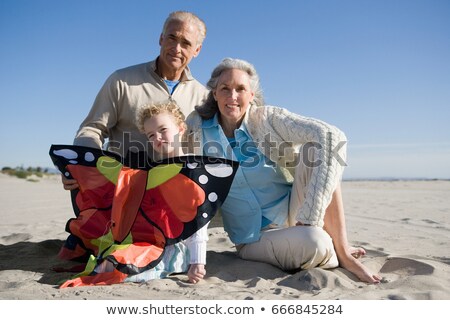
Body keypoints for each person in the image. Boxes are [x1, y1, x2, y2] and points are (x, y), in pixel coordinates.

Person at [184, 57, 382, 284]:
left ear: (251, 95)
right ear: (214, 93)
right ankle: (329, 244)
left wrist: (310, 216)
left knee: (319, 150)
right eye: (225, 89)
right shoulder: (197, 129)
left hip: (294, 215)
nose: (232, 97)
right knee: (316, 242)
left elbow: (331, 135)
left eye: (241, 89)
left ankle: (342, 250)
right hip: (253, 238)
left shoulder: (266, 119)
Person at [63, 11, 209, 190]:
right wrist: (83, 165)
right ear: (161, 39)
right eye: (172, 38)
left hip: (174, 200)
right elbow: (92, 129)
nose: (177, 48)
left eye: (186, 43)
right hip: (122, 191)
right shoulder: (121, 81)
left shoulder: (204, 98)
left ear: (197, 50)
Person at [135, 100, 208, 283]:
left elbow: (200, 221)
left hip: (181, 249)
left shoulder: (192, 170)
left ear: (181, 129)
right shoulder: (155, 171)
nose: (157, 138)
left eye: (162, 130)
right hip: (155, 241)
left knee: (130, 269)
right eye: (151, 135)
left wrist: (197, 262)